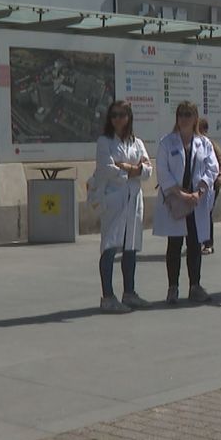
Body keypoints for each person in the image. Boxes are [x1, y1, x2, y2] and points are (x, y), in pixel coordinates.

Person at [90, 101, 153, 313]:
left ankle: (129, 293)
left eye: (121, 115)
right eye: (113, 115)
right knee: (109, 246)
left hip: (134, 200)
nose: (117, 119)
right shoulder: (104, 141)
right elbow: (106, 168)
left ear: (129, 117)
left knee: (130, 247)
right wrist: (133, 170)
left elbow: (148, 171)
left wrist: (126, 168)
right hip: (114, 200)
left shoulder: (137, 143)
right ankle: (107, 297)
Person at [155, 102, 218, 304]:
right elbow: (163, 172)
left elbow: (212, 168)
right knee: (174, 244)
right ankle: (172, 288)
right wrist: (182, 194)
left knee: (194, 244)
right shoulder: (166, 142)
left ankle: (195, 286)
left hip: (196, 201)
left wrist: (199, 191)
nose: (184, 118)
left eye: (188, 114)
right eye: (181, 114)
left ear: (195, 118)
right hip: (176, 200)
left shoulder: (204, 143)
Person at [198, 117, 221, 255]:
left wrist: (219, 176)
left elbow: (220, 161)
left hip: (212, 184)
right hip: (199, 186)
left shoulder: (209, 144)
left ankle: (208, 243)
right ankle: (200, 241)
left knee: (207, 213)